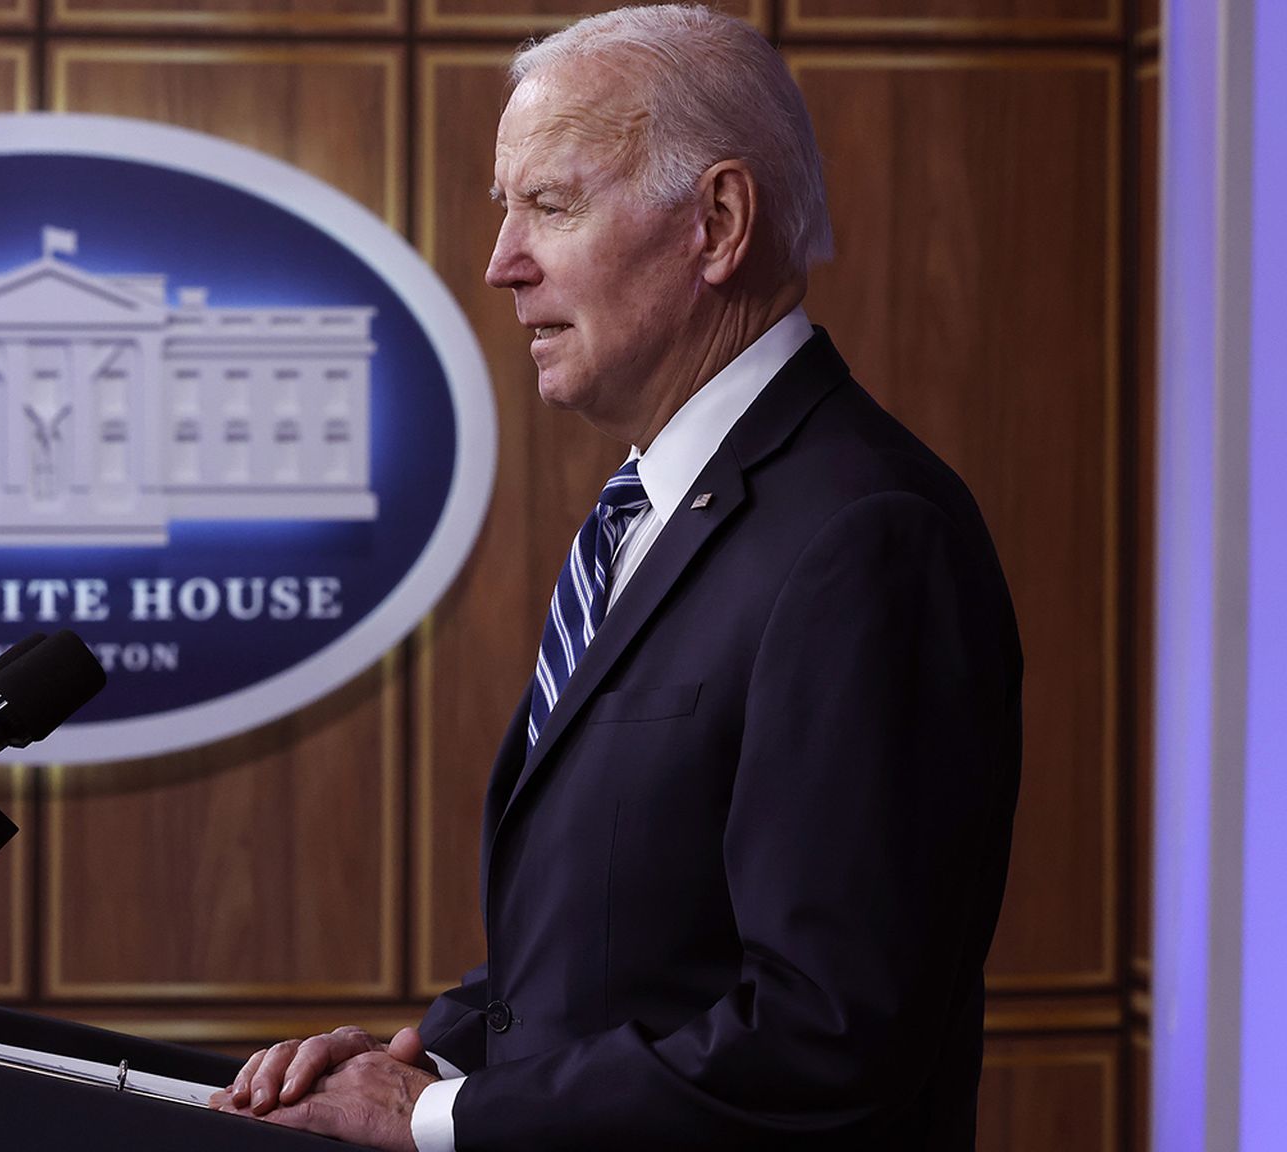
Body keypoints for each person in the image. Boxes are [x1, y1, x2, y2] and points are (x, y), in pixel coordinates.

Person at [208, 5, 1022, 1149]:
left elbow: (829, 1036)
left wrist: (444, 1118)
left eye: (550, 203)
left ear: (719, 223)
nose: (501, 263)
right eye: (507, 208)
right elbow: (627, 946)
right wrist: (434, 1052)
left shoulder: (866, 536)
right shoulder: (648, 514)